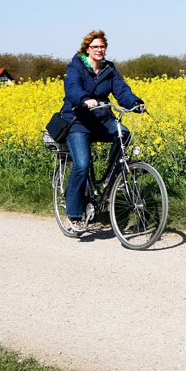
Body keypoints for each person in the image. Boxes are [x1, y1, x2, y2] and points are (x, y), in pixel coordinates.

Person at [62, 30, 145, 229]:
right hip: (78, 121)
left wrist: (135, 102)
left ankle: (113, 179)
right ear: (87, 49)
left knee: (123, 133)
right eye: (95, 47)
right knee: (82, 165)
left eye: (102, 47)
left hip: (100, 119)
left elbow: (121, 89)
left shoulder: (108, 68)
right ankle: (74, 214)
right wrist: (84, 99)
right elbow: (72, 87)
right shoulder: (76, 66)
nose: (99, 50)